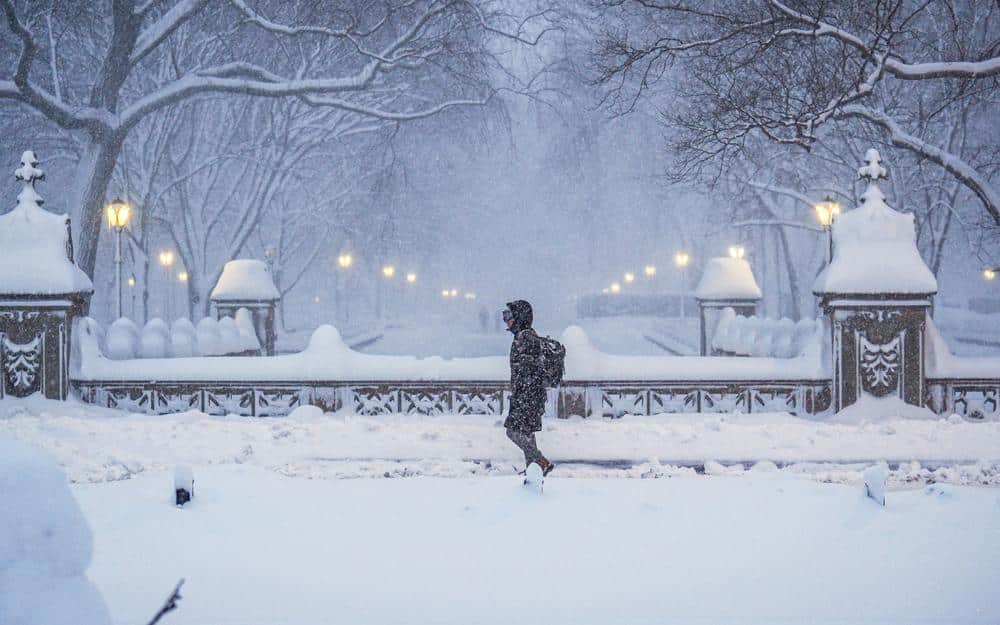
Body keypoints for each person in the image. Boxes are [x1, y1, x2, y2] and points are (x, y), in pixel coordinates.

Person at [502, 300, 554, 476]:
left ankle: (540, 462)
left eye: (508, 315)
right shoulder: (524, 336)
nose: (505, 320)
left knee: (513, 432)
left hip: (528, 395)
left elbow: (530, 370)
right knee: (527, 433)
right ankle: (534, 470)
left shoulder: (526, 338)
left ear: (519, 317)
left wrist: (523, 392)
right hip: (528, 395)